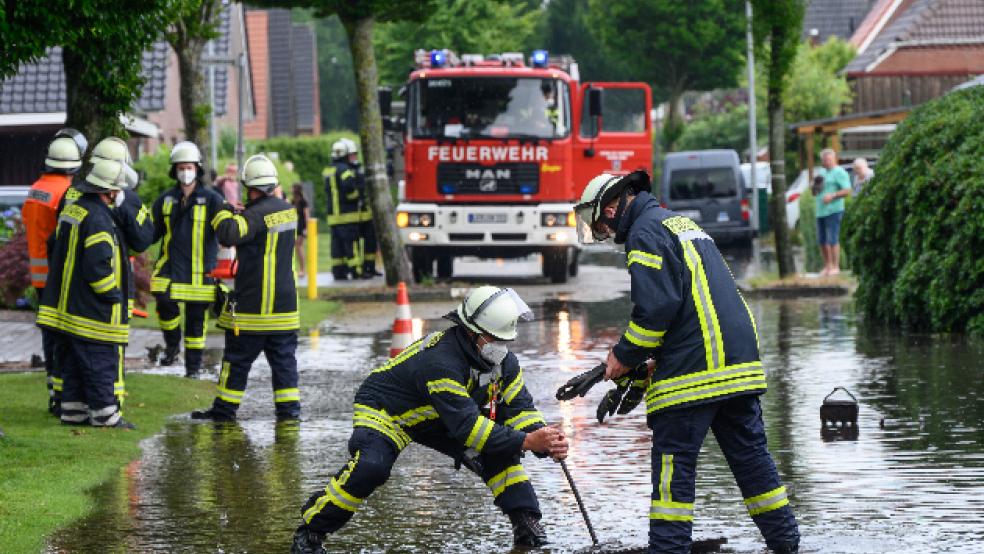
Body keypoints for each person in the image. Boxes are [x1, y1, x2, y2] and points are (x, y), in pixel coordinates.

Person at [572, 171, 800, 554]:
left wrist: (622, 357)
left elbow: (657, 309)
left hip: (694, 376)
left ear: (611, 209)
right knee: (753, 462)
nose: (605, 233)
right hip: (738, 366)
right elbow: (690, 305)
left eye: (601, 225)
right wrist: (644, 365)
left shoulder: (644, 233)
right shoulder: (677, 222)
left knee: (672, 477)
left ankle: (668, 549)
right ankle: (787, 544)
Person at [290, 286, 568, 554]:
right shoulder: (440, 363)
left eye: (504, 340)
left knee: (500, 451)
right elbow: (469, 429)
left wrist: (543, 437)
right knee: (371, 468)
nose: (500, 346)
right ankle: (311, 532)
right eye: (493, 339)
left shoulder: (505, 364)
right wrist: (528, 441)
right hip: (389, 412)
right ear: (471, 332)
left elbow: (520, 410)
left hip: (441, 415)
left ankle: (527, 525)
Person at [191, 154, 301, 422]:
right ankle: (289, 413)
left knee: (236, 362)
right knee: (284, 365)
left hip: (255, 309)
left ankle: (224, 411)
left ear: (250, 187)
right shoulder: (287, 210)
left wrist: (223, 210)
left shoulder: (255, 214)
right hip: (285, 310)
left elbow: (229, 234)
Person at [36, 159, 135, 429]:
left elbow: (53, 244)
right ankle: (105, 417)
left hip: (67, 310)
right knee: (98, 362)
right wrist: (112, 295)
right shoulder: (100, 219)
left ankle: (73, 413)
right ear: (110, 191)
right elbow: (97, 266)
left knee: (74, 365)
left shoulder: (75, 210)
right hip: (91, 312)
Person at [22, 128, 87, 415]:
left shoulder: (35, 188)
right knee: (65, 336)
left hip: (39, 277)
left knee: (49, 335)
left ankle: (54, 392)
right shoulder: (67, 193)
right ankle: (64, 394)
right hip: (60, 276)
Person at [88, 137, 155, 410]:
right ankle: (110, 403)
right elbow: (142, 240)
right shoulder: (119, 199)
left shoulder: (76, 195)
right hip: (110, 282)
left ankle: (72, 400)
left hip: (82, 288)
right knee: (110, 346)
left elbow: (143, 238)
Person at [150, 141, 226, 377]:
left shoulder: (213, 199)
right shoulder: (165, 200)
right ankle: (173, 344)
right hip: (170, 267)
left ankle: (192, 369)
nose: (185, 172)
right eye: (181, 167)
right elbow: (151, 233)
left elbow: (225, 233)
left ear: (197, 169)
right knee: (163, 300)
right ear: (175, 170)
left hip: (201, 272)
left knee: (196, 322)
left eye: (189, 167)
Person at [324, 139, 362, 280]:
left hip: (333, 217)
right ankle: (356, 270)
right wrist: (359, 194)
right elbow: (350, 189)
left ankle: (338, 272)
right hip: (347, 216)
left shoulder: (328, 170)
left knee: (337, 247)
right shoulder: (345, 170)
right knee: (351, 245)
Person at [345, 138, 381, 278]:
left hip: (367, 214)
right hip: (355, 215)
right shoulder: (349, 171)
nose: (354, 157)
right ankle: (359, 269)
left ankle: (370, 267)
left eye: (355, 154)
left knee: (370, 243)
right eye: (351, 155)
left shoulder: (361, 169)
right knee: (355, 244)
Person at [816, 149, 851, 276]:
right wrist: (814, 187)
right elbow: (816, 189)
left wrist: (833, 195)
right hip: (820, 210)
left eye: (829, 159)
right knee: (822, 240)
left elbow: (847, 190)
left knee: (833, 239)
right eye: (825, 160)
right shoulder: (821, 172)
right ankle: (827, 265)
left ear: (834, 159)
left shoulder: (840, 172)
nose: (827, 162)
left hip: (834, 210)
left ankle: (836, 266)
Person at [291, 183, 310, 278]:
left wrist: (306, 228)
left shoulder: (303, 202)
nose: (291, 189)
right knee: (297, 248)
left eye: (292, 188)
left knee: (299, 247)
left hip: (301, 227)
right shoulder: (293, 201)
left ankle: (303, 269)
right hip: (295, 226)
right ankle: (300, 269)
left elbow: (307, 216)